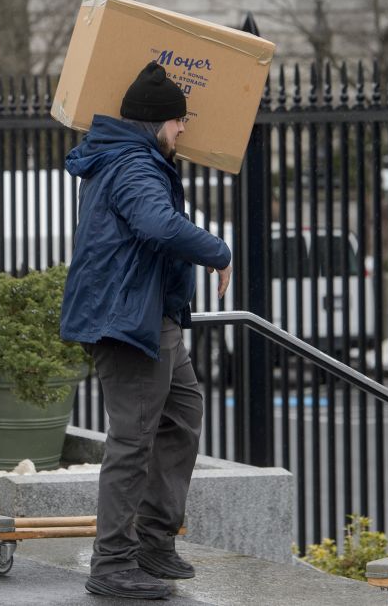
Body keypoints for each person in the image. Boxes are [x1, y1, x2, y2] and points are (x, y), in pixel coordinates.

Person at [60, 61, 233, 600]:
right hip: (128, 320)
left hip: (148, 316)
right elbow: (157, 224)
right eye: (179, 121)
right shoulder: (134, 164)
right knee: (132, 440)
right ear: (158, 121)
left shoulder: (134, 157)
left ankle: (154, 539)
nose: (185, 129)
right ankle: (112, 562)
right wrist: (219, 251)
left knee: (182, 414)